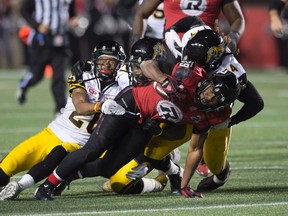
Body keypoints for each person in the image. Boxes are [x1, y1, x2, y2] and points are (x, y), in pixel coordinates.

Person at [34, 36, 241, 200]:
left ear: (221, 106)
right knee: (93, 149)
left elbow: (194, 148)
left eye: (216, 99)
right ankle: (47, 186)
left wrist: (185, 185)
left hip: (147, 124)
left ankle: (66, 175)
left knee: (108, 168)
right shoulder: (189, 75)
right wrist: (163, 80)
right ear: (207, 81)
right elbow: (147, 64)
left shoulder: (209, 114)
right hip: (129, 105)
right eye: (211, 90)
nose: (209, 96)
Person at [0, 41, 129, 200]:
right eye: (101, 60)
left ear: (120, 63)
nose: (105, 65)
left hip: (79, 143)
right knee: (6, 167)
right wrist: (101, 106)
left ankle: (20, 185)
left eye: (111, 60)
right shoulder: (84, 74)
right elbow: (80, 107)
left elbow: (135, 82)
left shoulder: (123, 86)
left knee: (59, 153)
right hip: (53, 132)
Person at [131, 0, 245, 177]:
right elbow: (141, 12)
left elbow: (237, 18)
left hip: (207, 58)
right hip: (172, 54)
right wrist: (135, 45)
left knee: (210, 108)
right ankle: (155, 159)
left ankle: (214, 166)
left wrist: (234, 38)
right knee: (159, 108)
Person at [16, 0, 79, 115]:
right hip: (42, 41)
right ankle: (23, 85)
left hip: (61, 41)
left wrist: (74, 19)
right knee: (37, 75)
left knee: (59, 77)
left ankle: (60, 109)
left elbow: (71, 11)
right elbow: (24, 11)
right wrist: (37, 25)